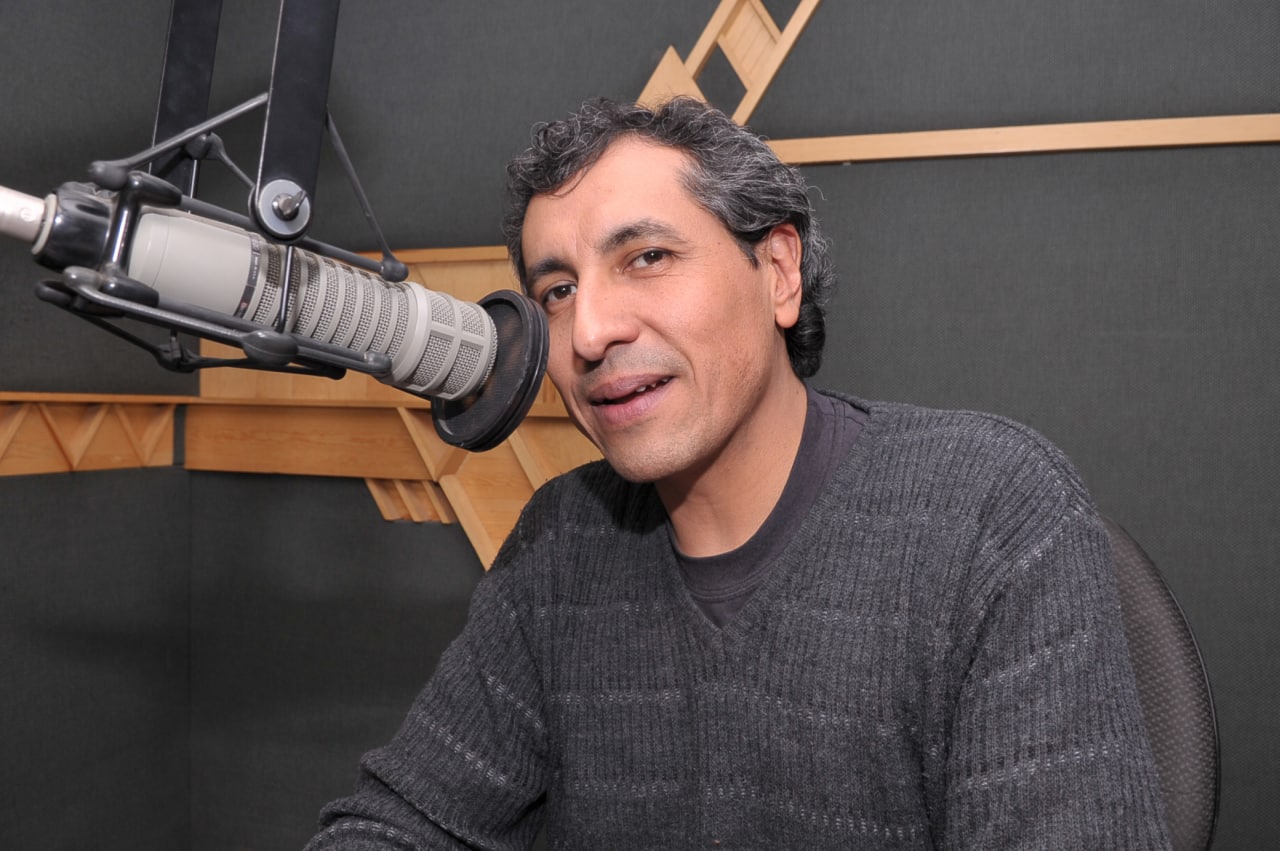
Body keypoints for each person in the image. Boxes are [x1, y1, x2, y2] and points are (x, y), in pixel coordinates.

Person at [305, 97, 1170, 849]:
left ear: (779, 272)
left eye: (647, 257)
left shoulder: (990, 512)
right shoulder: (561, 541)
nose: (589, 332)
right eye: (558, 290)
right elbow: (397, 825)